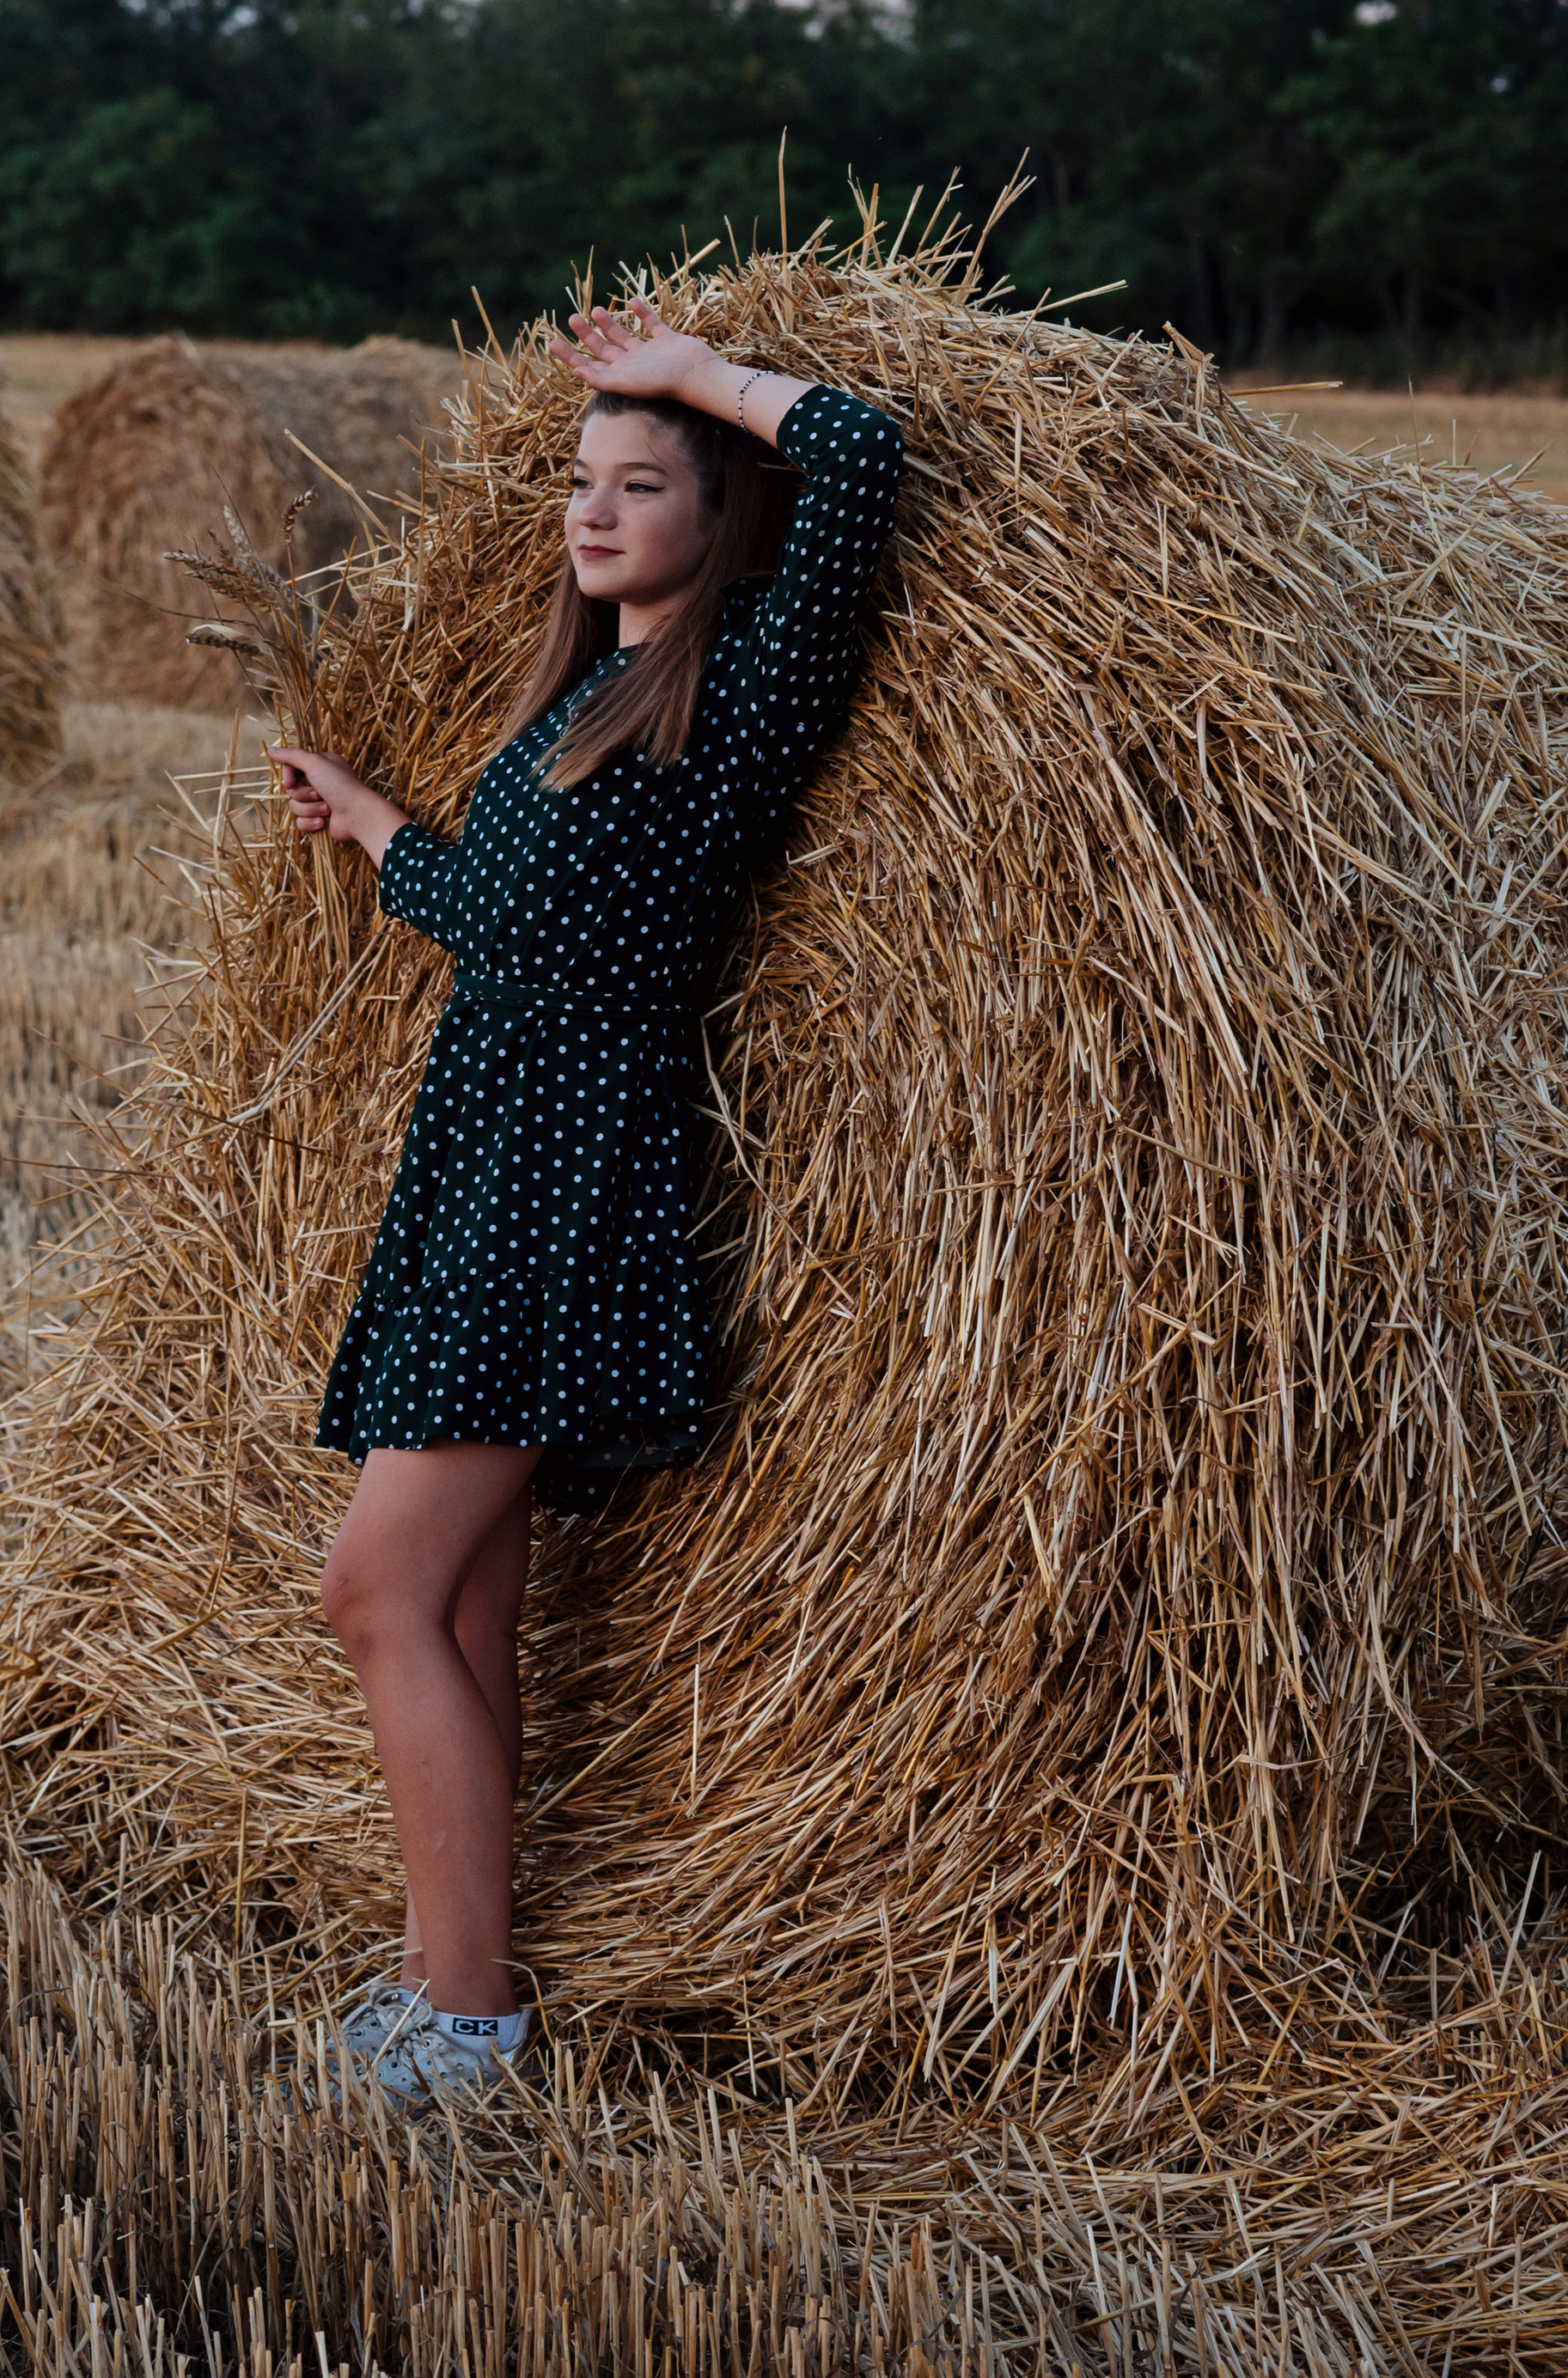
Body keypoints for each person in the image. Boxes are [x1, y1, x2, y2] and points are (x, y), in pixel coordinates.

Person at [268, 296, 903, 2101]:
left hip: (560, 1188)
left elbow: (858, 456)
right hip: (475, 1162)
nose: (593, 510)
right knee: (463, 1606)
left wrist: (694, 378)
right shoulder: (581, 701)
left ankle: (467, 2025)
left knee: (368, 1593)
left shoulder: (734, 697)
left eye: (641, 485)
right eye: (580, 480)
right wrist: (378, 822)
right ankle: (434, 1971)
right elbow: (501, 928)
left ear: (717, 517)